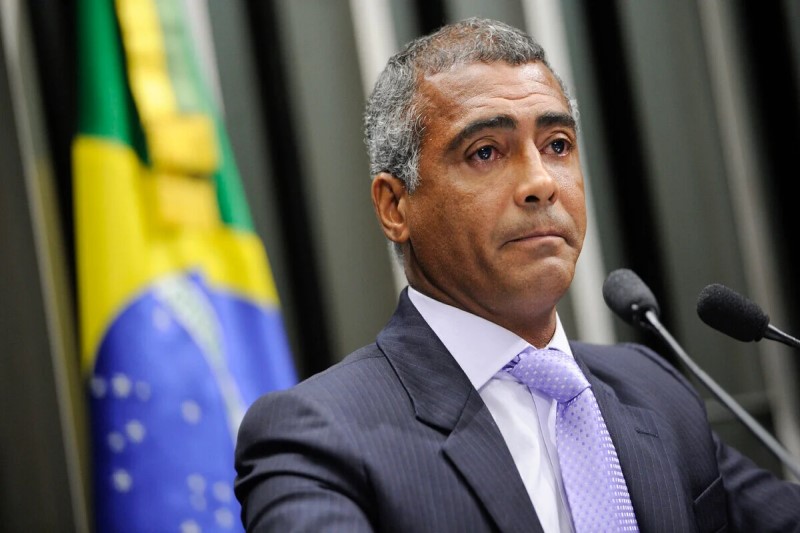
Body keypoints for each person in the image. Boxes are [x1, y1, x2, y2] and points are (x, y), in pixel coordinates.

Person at [234, 17, 800, 532]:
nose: (541, 183)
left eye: (557, 145)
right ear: (395, 207)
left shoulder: (653, 389)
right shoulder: (318, 437)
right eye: (485, 152)